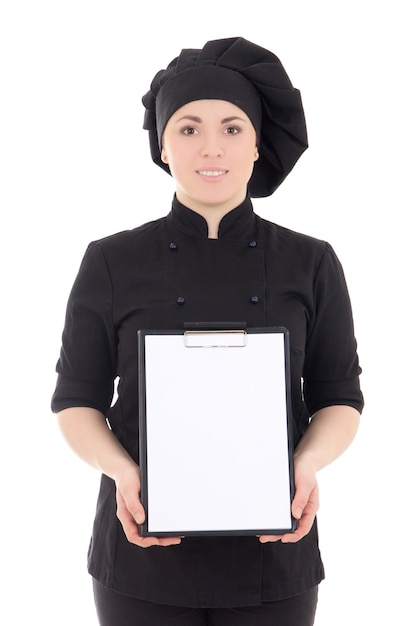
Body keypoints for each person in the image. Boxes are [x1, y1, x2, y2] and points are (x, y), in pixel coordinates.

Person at [52, 36, 364, 626]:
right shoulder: (111, 260)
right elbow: (75, 402)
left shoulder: (311, 261)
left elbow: (340, 399)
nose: (211, 147)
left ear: (257, 146)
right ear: (163, 146)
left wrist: (305, 465)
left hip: (276, 553)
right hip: (140, 546)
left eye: (232, 127)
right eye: (189, 129)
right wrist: (124, 473)